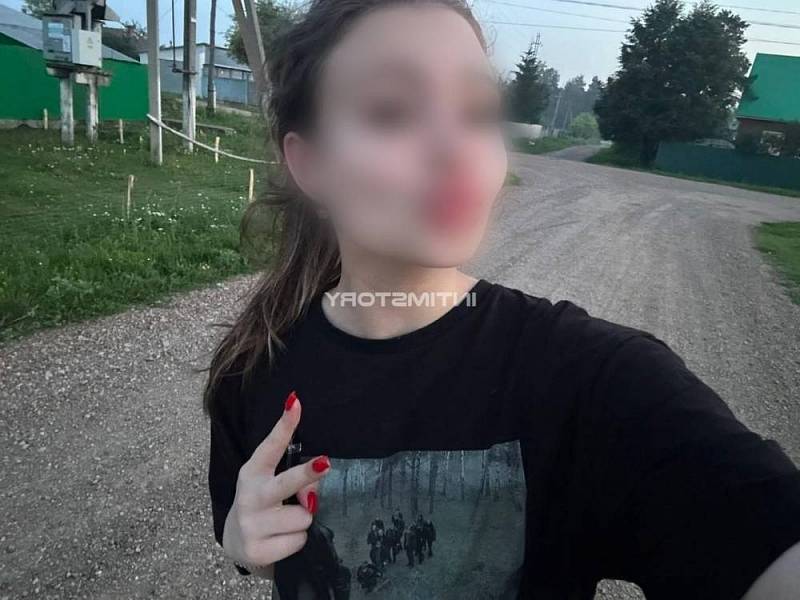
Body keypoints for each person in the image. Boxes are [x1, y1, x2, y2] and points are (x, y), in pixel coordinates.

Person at [205, 1, 800, 598]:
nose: (454, 147)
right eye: (392, 111)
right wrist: (243, 542)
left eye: (478, 112)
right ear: (309, 164)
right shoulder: (254, 367)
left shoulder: (591, 378)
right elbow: (255, 540)